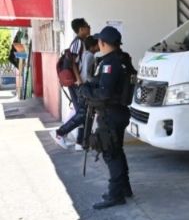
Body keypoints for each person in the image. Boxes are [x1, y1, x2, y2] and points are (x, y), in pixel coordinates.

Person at [79, 26, 133, 210]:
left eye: (99, 42)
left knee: (111, 154)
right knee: (117, 150)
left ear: (102, 43)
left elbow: (105, 92)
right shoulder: (122, 59)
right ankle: (124, 189)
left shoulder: (110, 63)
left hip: (110, 114)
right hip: (118, 112)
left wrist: (86, 91)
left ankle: (115, 195)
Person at [51, 18, 90, 149]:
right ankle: (59, 133)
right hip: (75, 83)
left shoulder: (81, 42)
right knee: (82, 113)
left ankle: (79, 143)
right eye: (87, 26)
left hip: (75, 82)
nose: (89, 28)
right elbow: (72, 62)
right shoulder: (78, 42)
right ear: (81, 29)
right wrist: (78, 80)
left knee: (81, 113)